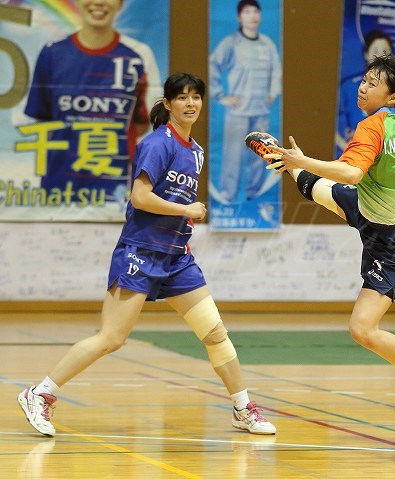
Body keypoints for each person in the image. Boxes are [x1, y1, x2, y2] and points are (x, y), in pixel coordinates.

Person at [17, 72, 276, 437]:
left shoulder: (196, 151)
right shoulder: (157, 144)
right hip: (140, 252)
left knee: (215, 333)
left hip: (177, 257)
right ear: (168, 104)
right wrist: (186, 210)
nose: (190, 103)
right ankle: (39, 393)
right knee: (111, 338)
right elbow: (140, 197)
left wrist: (184, 217)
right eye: (182, 97)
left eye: (196, 97)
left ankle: (242, 408)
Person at [268, 52, 395, 424]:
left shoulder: (372, 127)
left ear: (392, 97)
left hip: (394, 244)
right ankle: (282, 160)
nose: (363, 87)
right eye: (364, 80)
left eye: (373, 84)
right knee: (314, 188)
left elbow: (351, 173)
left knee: (362, 329)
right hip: (373, 211)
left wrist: (302, 160)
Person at [23, 0, 161, 209]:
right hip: (59, 194)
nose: (98, 2)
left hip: (116, 193)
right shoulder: (52, 53)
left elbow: (143, 125)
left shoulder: (139, 55)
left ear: (120, 4)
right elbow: (43, 121)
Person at [209, 0, 282, 204]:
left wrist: (273, 93)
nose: (253, 16)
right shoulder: (231, 42)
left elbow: (276, 70)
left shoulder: (267, 44)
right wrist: (220, 96)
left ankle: (254, 196)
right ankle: (228, 197)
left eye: (256, 12)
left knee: (260, 158)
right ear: (239, 17)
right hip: (238, 113)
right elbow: (213, 65)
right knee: (232, 158)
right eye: (247, 12)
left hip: (261, 111)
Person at [335, 29, 394, 157]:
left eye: (385, 52)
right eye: (376, 51)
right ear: (366, 54)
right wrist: (346, 148)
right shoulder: (348, 87)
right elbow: (330, 123)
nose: (380, 57)